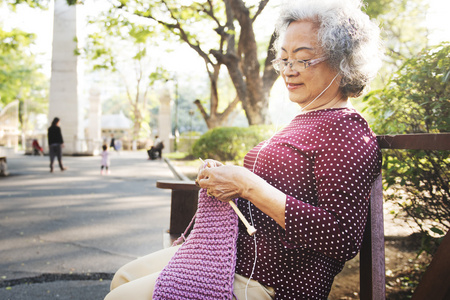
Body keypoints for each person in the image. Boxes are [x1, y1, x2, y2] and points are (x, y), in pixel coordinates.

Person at [105, 0, 383, 299]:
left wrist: (248, 186)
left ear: (344, 62)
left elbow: (341, 237)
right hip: (230, 254)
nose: (288, 71)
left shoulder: (346, 131)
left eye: (303, 59)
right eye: (284, 59)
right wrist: (226, 177)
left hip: (269, 278)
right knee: (124, 278)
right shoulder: (306, 120)